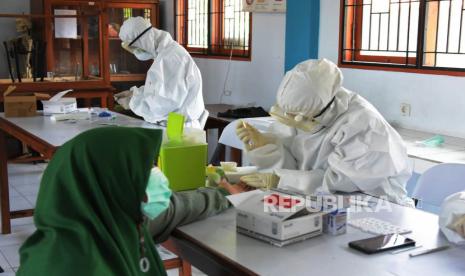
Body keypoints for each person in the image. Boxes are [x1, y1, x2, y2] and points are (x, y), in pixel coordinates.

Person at [17, 127, 231, 275]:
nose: (157, 176)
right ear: (109, 181)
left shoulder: (113, 220)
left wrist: (222, 195)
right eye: (145, 169)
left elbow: (177, 208)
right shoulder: (67, 268)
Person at [236, 59, 414, 206]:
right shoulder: (298, 110)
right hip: (318, 202)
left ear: (325, 107)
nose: (291, 120)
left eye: (298, 117)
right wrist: (268, 148)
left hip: (374, 206)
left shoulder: (363, 125)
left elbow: (338, 184)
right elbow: (295, 167)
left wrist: (280, 179)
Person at [117, 17, 208, 129]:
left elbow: (161, 106)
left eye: (136, 48)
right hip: (174, 126)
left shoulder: (171, 59)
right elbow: (159, 89)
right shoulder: (166, 54)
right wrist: (135, 94)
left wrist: (133, 102)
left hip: (178, 130)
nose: (136, 52)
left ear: (143, 40)